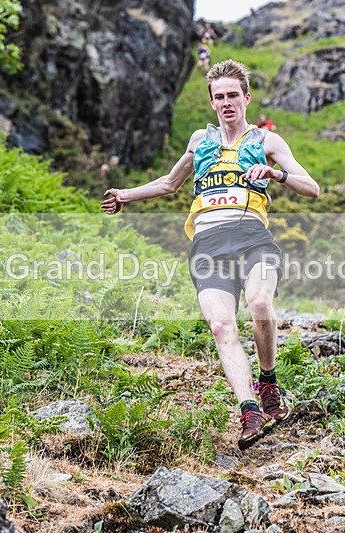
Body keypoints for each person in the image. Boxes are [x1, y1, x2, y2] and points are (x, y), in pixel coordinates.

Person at [102, 60, 319, 451]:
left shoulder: (267, 142)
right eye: (219, 97)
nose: (226, 103)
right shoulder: (199, 142)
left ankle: (267, 381)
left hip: (253, 237)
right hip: (208, 245)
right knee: (221, 327)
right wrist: (125, 195)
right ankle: (249, 410)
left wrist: (275, 175)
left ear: (246, 98)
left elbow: (312, 187)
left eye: (233, 95)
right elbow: (170, 183)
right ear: (212, 102)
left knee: (259, 302)